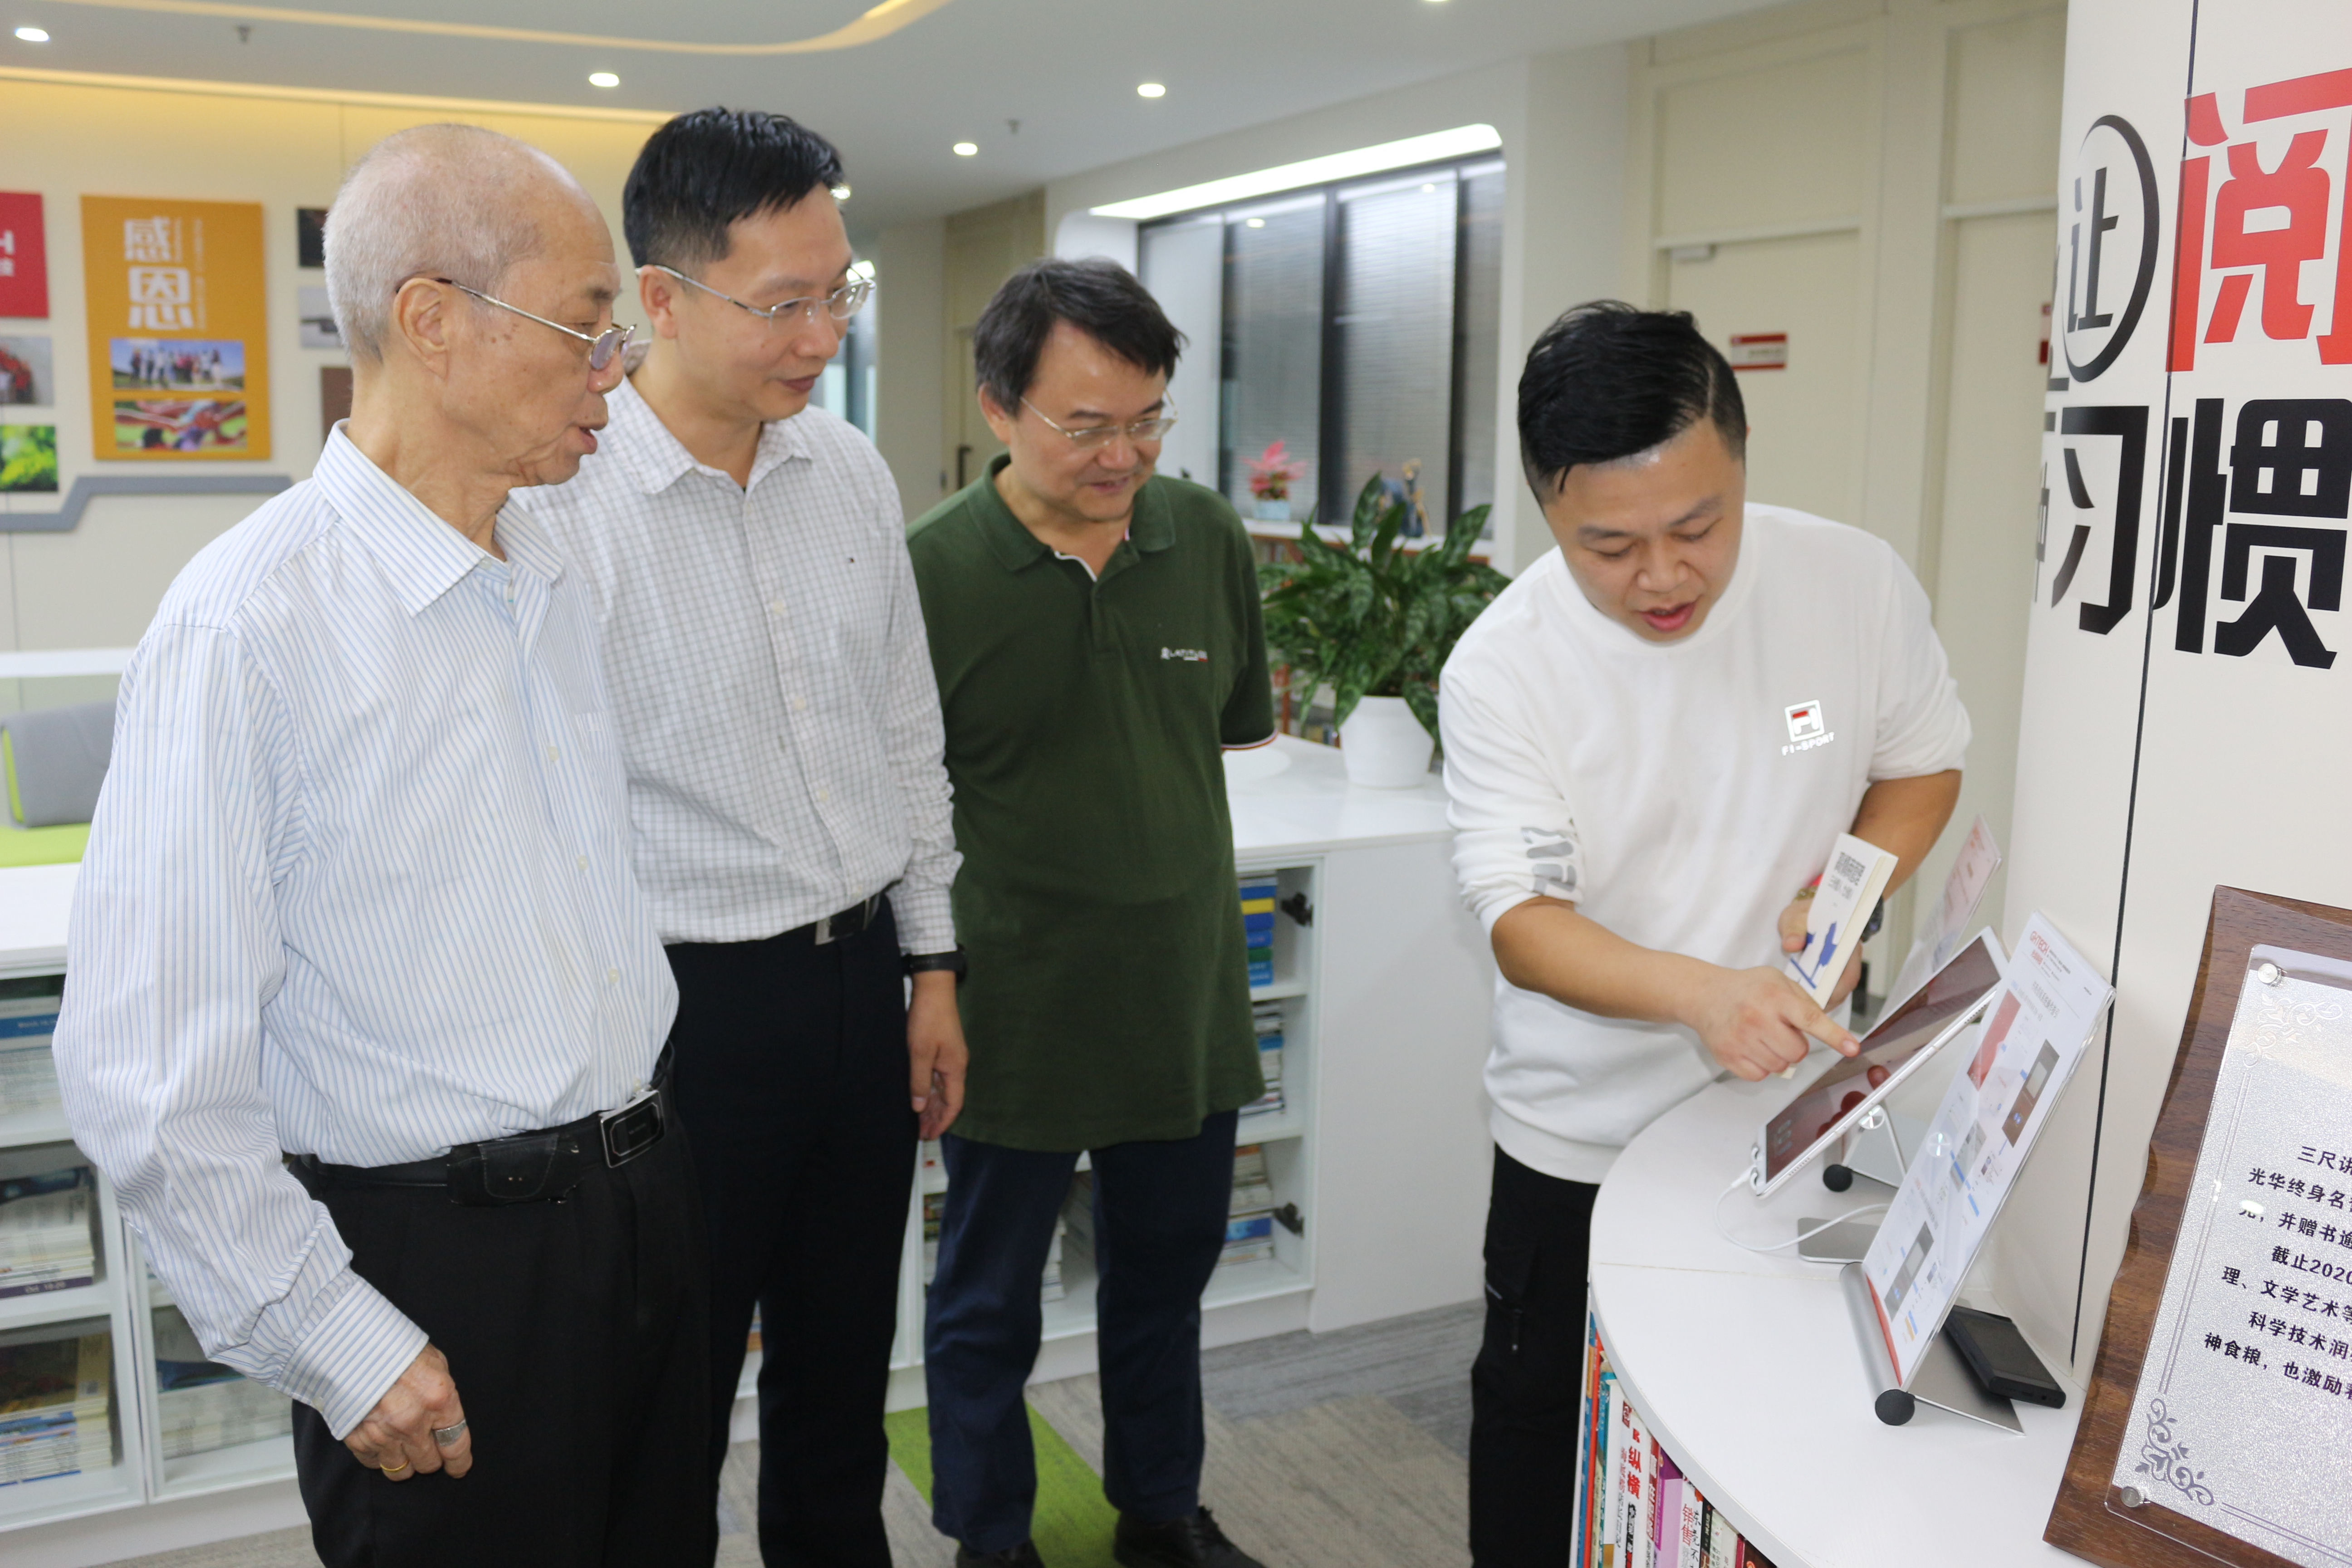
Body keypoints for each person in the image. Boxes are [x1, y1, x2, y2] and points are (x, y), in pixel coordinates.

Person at [50, 124, 712, 1568]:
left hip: (641, 1212)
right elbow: (150, 1074)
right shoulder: (249, 626)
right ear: (432, 321)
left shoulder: (548, 569)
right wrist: (333, 1340)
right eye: (588, 328)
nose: (617, 372)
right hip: (444, 1267)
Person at [1438, 301, 1970, 1568]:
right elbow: (1523, 926)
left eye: (1698, 527)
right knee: (1542, 1429)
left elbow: (1919, 766)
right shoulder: (1505, 668)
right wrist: (1704, 995)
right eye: (1609, 546)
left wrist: (1851, 889)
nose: (1665, 577)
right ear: (1546, 510)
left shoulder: (1850, 583)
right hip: (1579, 1133)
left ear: (1739, 461)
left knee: (1763, 1434)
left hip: (1794, 1115)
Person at [519, 107, 964, 1568]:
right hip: (683, 1016)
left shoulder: (850, 472)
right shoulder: (563, 502)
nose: (821, 335)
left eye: (839, 293)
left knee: (843, 1375)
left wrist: (933, 968)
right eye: (782, 304)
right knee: (673, 1398)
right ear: (660, 297)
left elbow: (906, 734)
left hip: (859, 984)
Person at [905, 257, 1275, 1568]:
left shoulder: (1205, 537)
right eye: (1086, 424)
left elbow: (1215, 734)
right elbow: (904, 806)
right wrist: (930, 982)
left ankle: (1160, 1513)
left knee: (1165, 1280)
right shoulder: (932, 572)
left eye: (1147, 419)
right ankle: (990, 1533)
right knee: (987, 1298)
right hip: (1010, 999)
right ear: (1000, 408)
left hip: (1180, 989)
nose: (1124, 454)